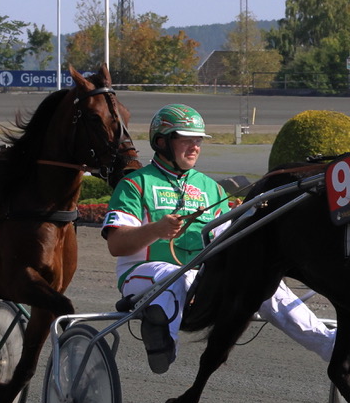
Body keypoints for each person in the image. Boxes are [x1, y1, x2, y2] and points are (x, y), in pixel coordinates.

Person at [102, 104, 335, 373]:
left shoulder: (209, 187)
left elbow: (227, 241)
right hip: (142, 277)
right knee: (178, 277)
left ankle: (329, 344)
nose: (195, 147)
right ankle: (164, 344)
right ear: (162, 142)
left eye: (198, 140)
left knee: (263, 280)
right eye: (186, 140)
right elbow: (116, 245)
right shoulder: (134, 184)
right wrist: (156, 230)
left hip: (200, 281)